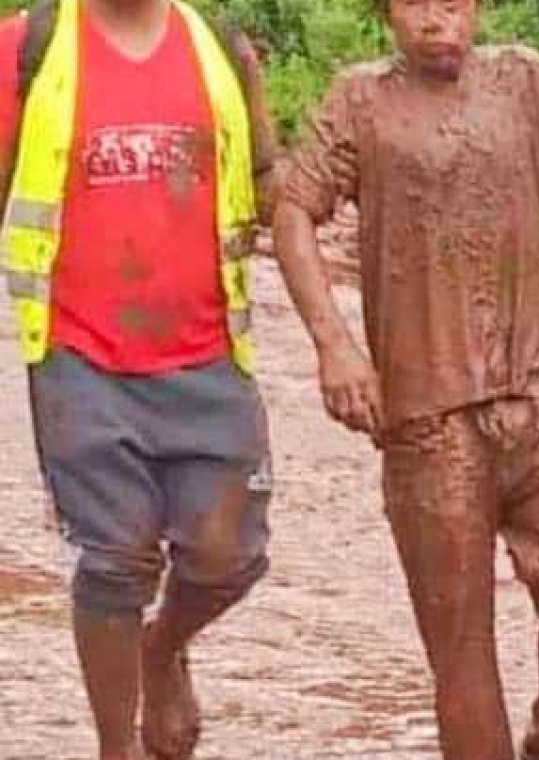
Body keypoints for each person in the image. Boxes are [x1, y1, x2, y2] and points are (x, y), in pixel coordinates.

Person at [272, 1, 539, 758]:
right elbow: (292, 212)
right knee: (460, 641)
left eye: (454, 3)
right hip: (427, 413)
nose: (437, 20)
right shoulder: (361, 100)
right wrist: (335, 345)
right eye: (417, 4)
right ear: (388, 12)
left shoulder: (524, 83)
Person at [0, 0, 280, 759]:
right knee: (115, 557)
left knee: (229, 555)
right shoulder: (30, 48)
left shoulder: (222, 49)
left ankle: (161, 649)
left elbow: (270, 182)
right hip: (80, 359)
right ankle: (115, 748)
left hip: (209, 354)